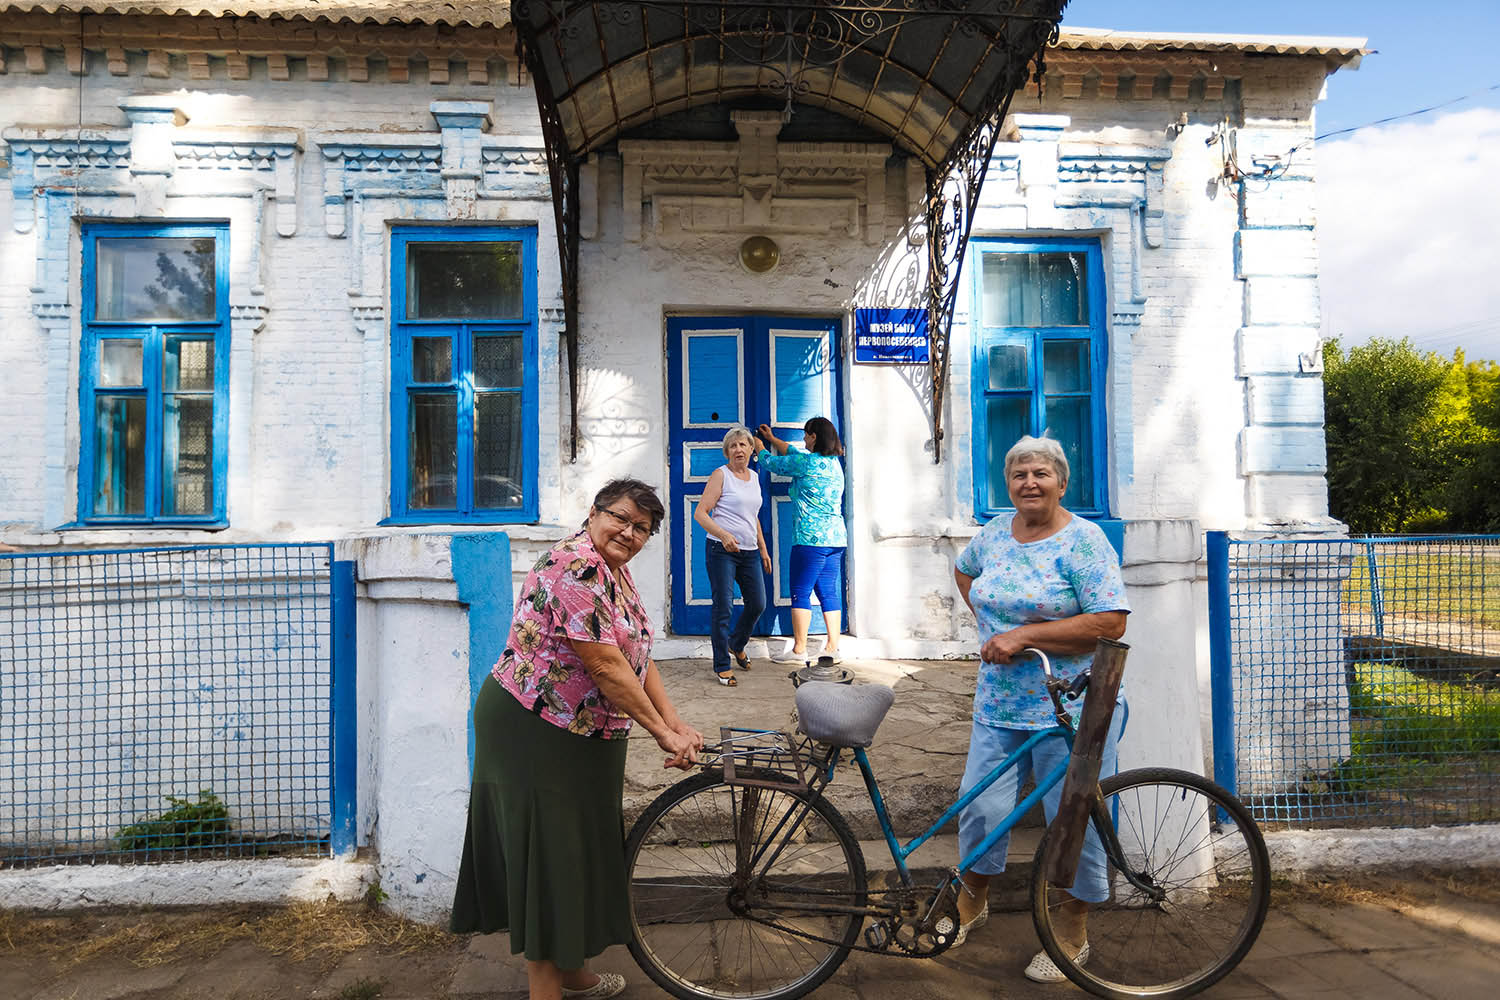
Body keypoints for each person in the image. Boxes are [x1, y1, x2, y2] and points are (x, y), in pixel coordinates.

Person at [450, 479, 704, 1000]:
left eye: (642, 529)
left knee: (579, 850)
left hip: (587, 730)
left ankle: (574, 973)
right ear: (594, 513)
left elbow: (637, 654)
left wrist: (674, 721)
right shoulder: (573, 567)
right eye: (621, 519)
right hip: (536, 728)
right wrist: (660, 733)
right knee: (550, 856)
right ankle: (549, 992)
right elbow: (605, 664)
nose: (629, 533)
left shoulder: (615, 572)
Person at [943, 435, 1129, 983]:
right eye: (1020, 474)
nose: (1029, 483)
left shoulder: (1085, 542)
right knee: (980, 807)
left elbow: (1110, 621)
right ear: (1009, 484)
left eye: (1041, 474)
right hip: (1000, 701)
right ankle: (972, 901)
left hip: (1071, 707)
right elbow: (964, 570)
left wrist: (1024, 636)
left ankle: (1072, 928)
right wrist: (991, 627)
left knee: (1075, 823)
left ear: (1061, 482)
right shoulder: (997, 532)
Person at [754, 416, 846, 664]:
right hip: (836, 539)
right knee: (828, 591)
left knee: (800, 591)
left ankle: (799, 649)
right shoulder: (834, 464)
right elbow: (793, 453)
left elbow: (773, 463)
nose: (804, 438)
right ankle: (832, 647)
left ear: (814, 436)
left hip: (810, 540)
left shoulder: (805, 464)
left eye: (806, 434)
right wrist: (773, 439)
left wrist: (759, 446)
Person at [693, 424, 772, 687]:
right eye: (733, 446)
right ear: (727, 451)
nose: (738, 449)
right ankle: (722, 666)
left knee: (758, 604)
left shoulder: (754, 477)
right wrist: (724, 535)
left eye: (743, 444)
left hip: (749, 552)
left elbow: (754, 517)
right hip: (721, 550)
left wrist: (762, 548)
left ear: (751, 449)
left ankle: (736, 644)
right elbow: (701, 513)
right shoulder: (721, 475)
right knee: (723, 606)